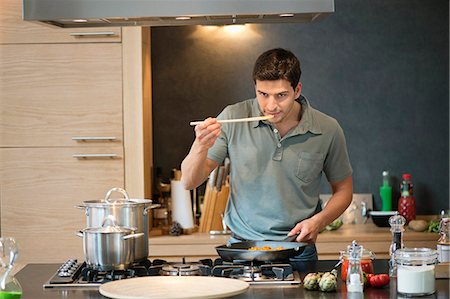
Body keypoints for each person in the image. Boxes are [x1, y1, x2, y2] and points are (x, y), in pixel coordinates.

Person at [181, 48, 353, 261]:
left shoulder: (327, 129)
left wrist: (318, 221)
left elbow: (344, 190)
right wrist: (200, 145)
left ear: (297, 90)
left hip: (298, 249)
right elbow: (189, 181)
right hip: (243, 247)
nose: (271, 106)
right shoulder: (232, 117)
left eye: (281, 95)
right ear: (255, 88)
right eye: (263, 94)